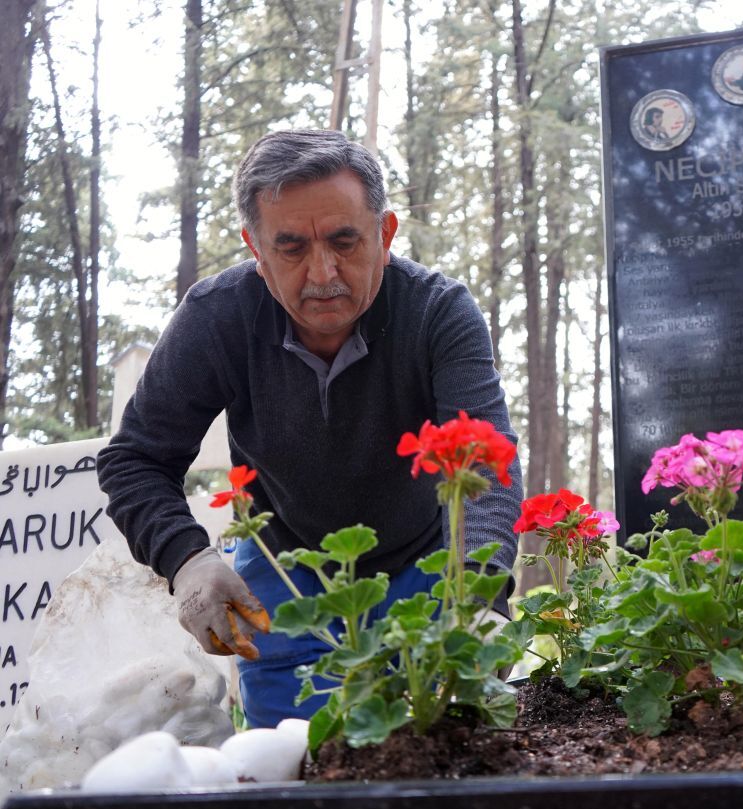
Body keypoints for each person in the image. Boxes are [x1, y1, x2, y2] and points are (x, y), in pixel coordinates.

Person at [97, 129, 523, 728]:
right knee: (290, 765)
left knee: (443, 755)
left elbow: (486, 457)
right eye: (291, 247)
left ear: (385, 233)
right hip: (282, 579)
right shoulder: (216, 318)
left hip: (428, 568)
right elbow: (136, 459)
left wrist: (477, 591)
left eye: (345, 241)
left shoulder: (438, 312)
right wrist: (187, 558)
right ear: (255, 248)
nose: (323, 273)